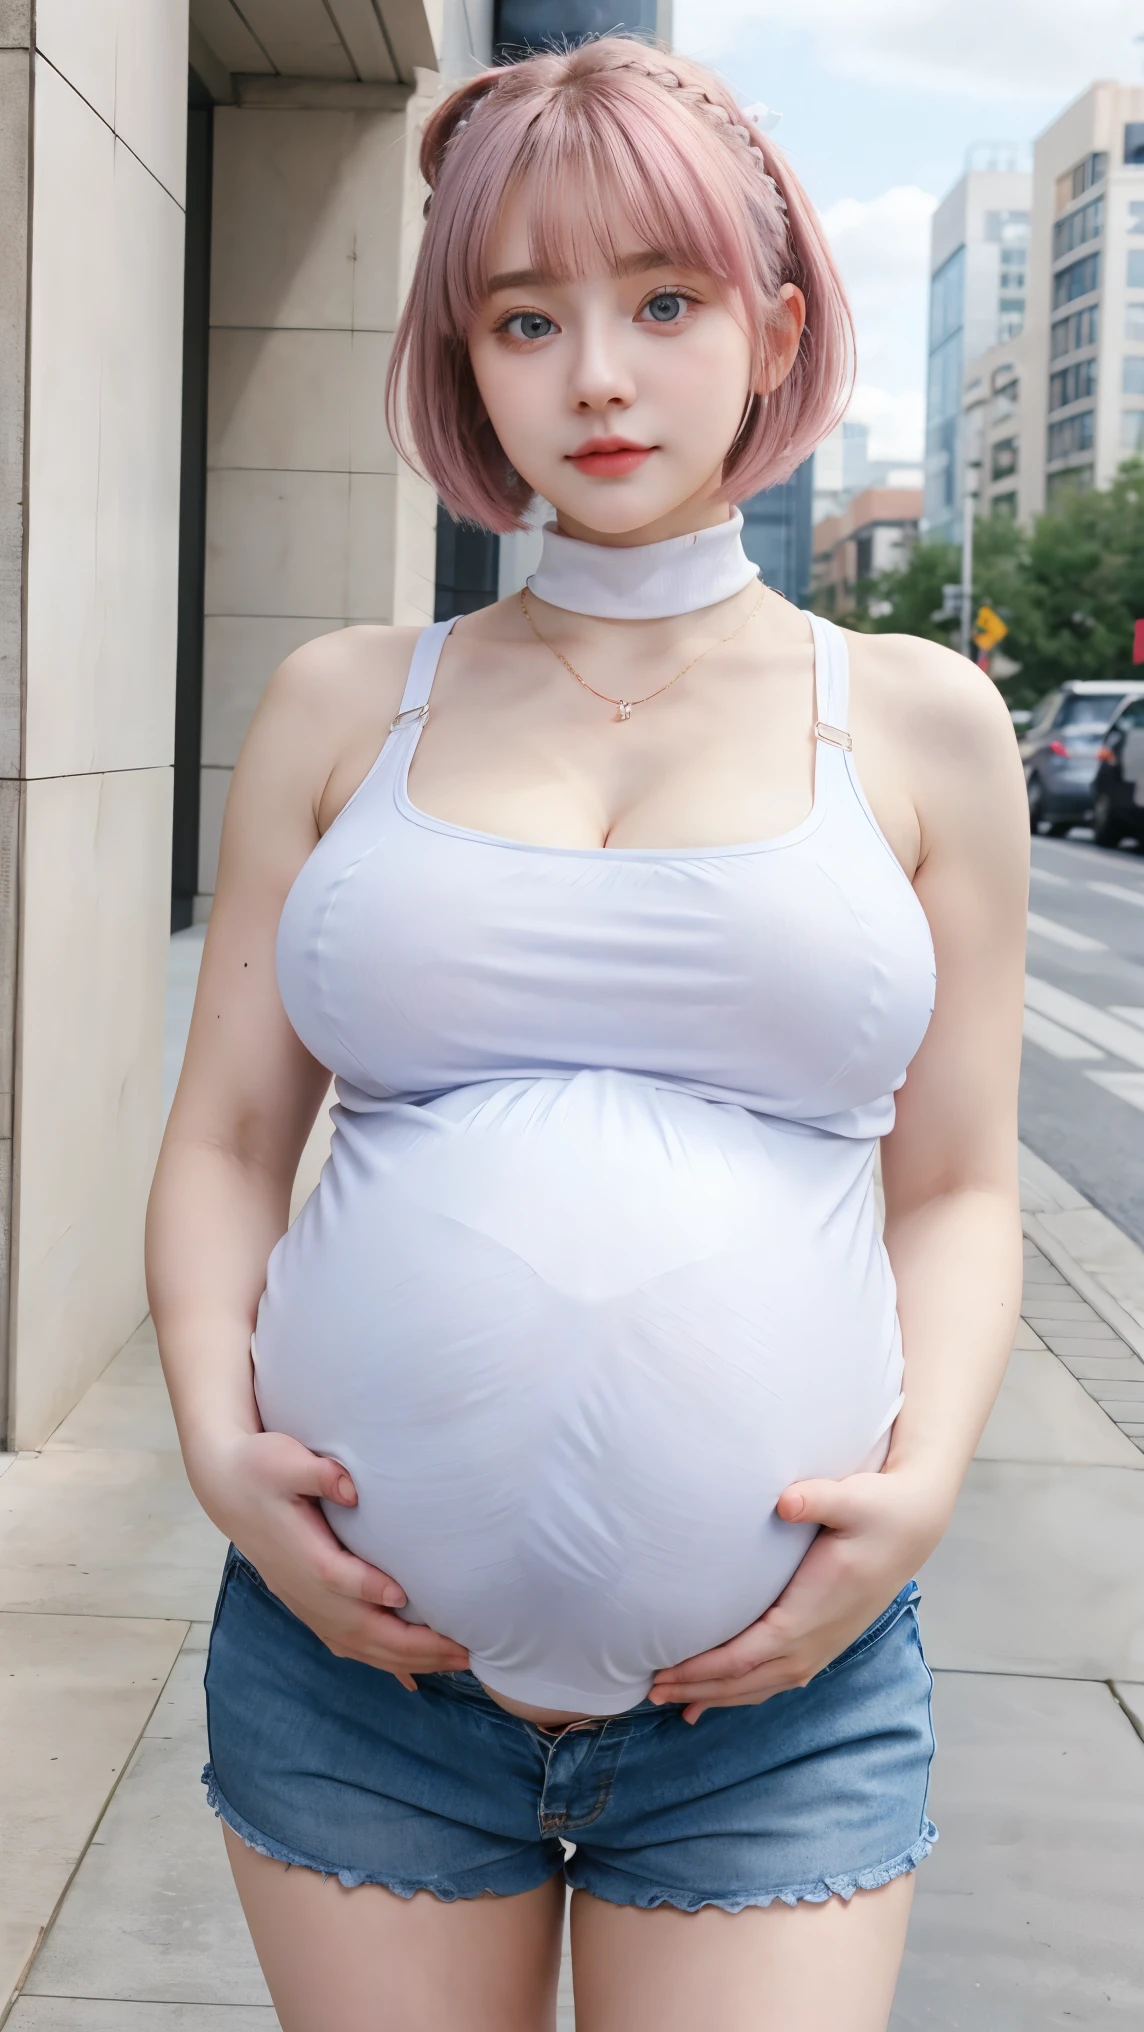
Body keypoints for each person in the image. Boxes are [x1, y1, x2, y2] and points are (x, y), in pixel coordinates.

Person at [146, 36, 1028, 2032]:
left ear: (772, 320)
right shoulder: (337, 702)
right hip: (351, 1679)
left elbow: (958, 1177)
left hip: (776, 1700)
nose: (598, 377)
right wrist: (216, 1437)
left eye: (659, 302)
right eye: (523, 319)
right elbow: (220, 1139)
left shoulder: (912, 722)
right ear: (463, 360)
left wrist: (926, 1479)